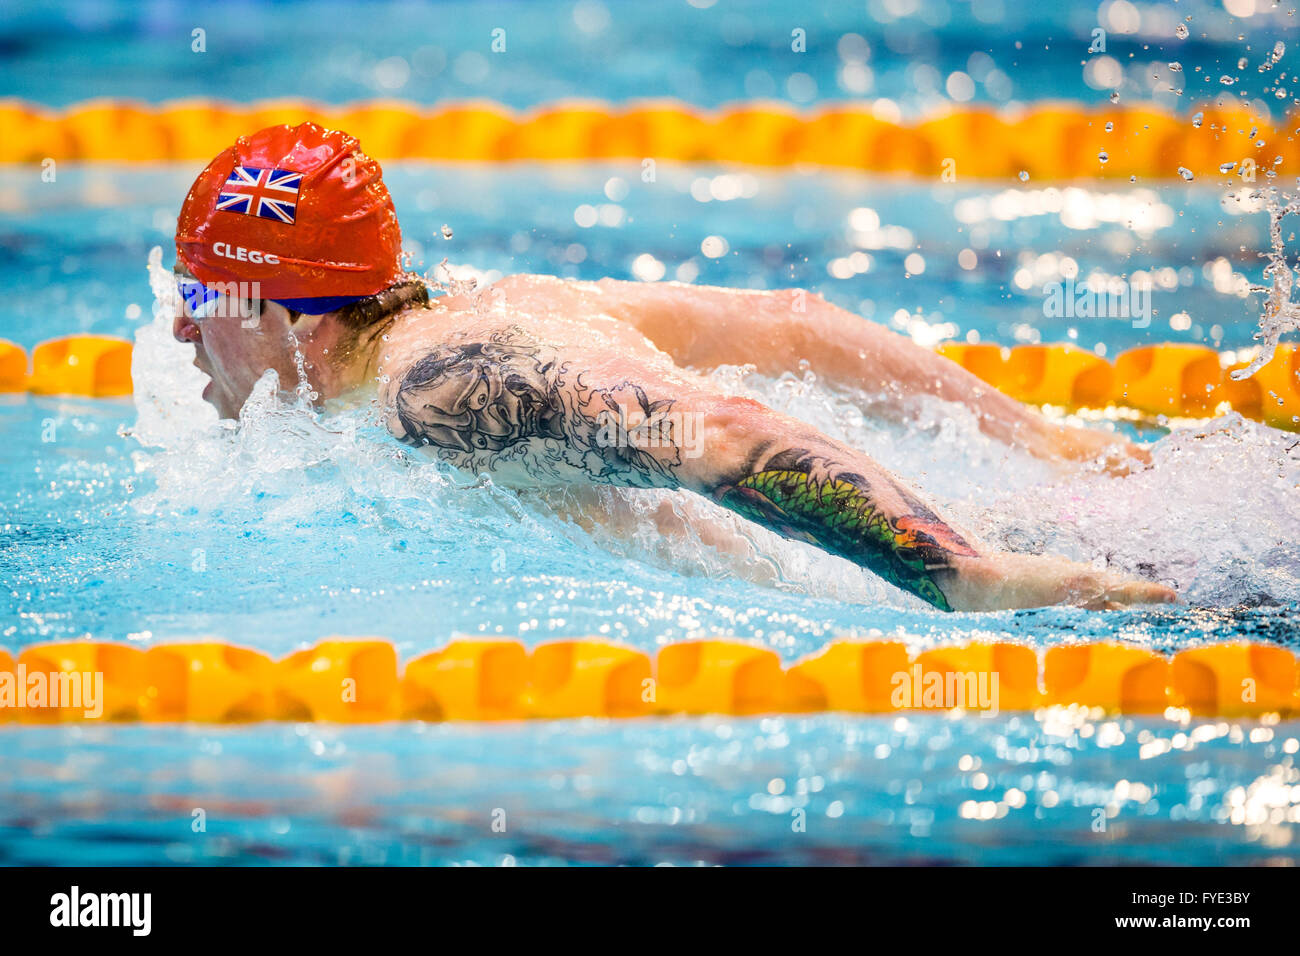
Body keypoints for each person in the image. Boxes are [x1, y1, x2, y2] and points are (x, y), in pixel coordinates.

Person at [172, 122, 1176, 613]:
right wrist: (1049, 439)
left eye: (203, 296)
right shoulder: (498, 305)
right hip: (1067, 530)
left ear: (298, 325)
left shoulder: (438, 393)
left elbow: (719, 430)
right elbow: (793, 321)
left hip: (986, 588)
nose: (182, 330)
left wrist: (967, 575)